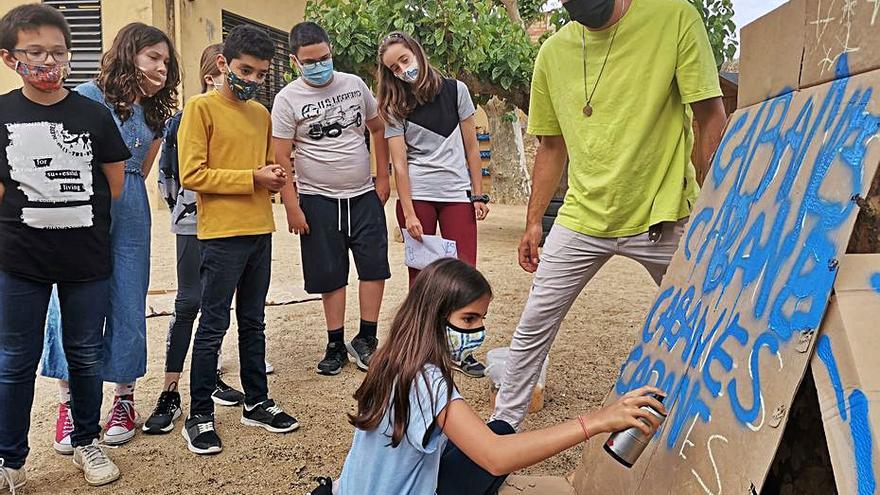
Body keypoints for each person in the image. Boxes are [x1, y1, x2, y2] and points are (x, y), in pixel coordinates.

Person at [491, 0, 728, 430]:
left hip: (666, 215)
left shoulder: (674, 17)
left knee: (708, 320)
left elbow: (710, 116)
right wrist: (532, 223)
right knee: (532, 328)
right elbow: (551, 146)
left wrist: (718, 205)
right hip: (582, 217)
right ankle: (502, 428)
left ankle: (717, 428)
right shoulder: (553, 53)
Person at [329, 258, 665, 495]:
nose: (479, 331)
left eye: (481, 319)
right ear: (433, 317)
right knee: (498, 444)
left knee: (500, 428)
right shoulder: (428, 381)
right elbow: (495, 457)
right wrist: (596, 422)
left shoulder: (391, 358)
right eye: (469, 320)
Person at [0, 4, 130, 488]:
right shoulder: (2, 113)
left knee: (85, 354)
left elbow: (113, 183)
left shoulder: (93, 115)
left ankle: (86, 441)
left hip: (85, 259)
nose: (48, 61)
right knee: (15, 359)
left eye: (57, 52)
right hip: (19, 260)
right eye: (34, 51)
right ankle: (9, 457)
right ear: (11, 57)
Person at [39, 22, 181, 449]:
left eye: (166, 61)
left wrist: (126, 200)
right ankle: (70, 403)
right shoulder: (86, 96)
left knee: (127, 296)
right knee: (71, 299)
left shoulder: (157, 111)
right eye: (153, 57)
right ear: (130, 53)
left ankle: (124, 397)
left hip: (132, 204)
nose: (160, 67)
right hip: (81, 202)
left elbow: (142, 166)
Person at [178, 25, 298, 456]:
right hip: (221, 236)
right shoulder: (200, 109)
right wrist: (253, 177)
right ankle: (198, 414)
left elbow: (266, 166)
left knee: (254, 321)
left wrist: (275, 176)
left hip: (258, 231)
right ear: (222, 64)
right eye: (245, 70)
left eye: (262, 73)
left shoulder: (261, 114)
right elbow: (193, 175)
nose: (252, 79)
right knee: (212, 325)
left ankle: (257, 401)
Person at [272, 22, 391, 376]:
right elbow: (281, 157)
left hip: (363, 196)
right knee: (330, 273)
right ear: (296, 61)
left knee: (374, 267)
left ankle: (366, 338)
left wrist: (382, 178)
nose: (320, 65)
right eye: (310, 61)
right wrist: (292, 206)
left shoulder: (354, 85)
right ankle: (335, 342)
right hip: (317, 200)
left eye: (324, 57)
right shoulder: (287, 99)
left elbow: (377, 127)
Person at [144, 43, 248, 435]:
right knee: (189, 302)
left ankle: (209, 378)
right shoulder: (183, 118)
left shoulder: (246, 117)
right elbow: (169, 177)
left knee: (219, 304)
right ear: (213, 74)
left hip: (233, 224)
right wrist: (186, 211)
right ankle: (170, 390)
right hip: (193, 222)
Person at [377, 31, 490, 378]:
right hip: (419, 197)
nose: (401, 70)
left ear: (417, 51)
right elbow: (400, 163)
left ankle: (462, 349)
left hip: (456, 194)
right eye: (394, 68)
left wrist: (478, 193)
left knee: (464, 274)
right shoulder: (393, 105)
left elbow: (473, 148)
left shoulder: (457, 91)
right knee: (421, 279)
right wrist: (408, 212)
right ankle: (423, 349)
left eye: (404, 60)